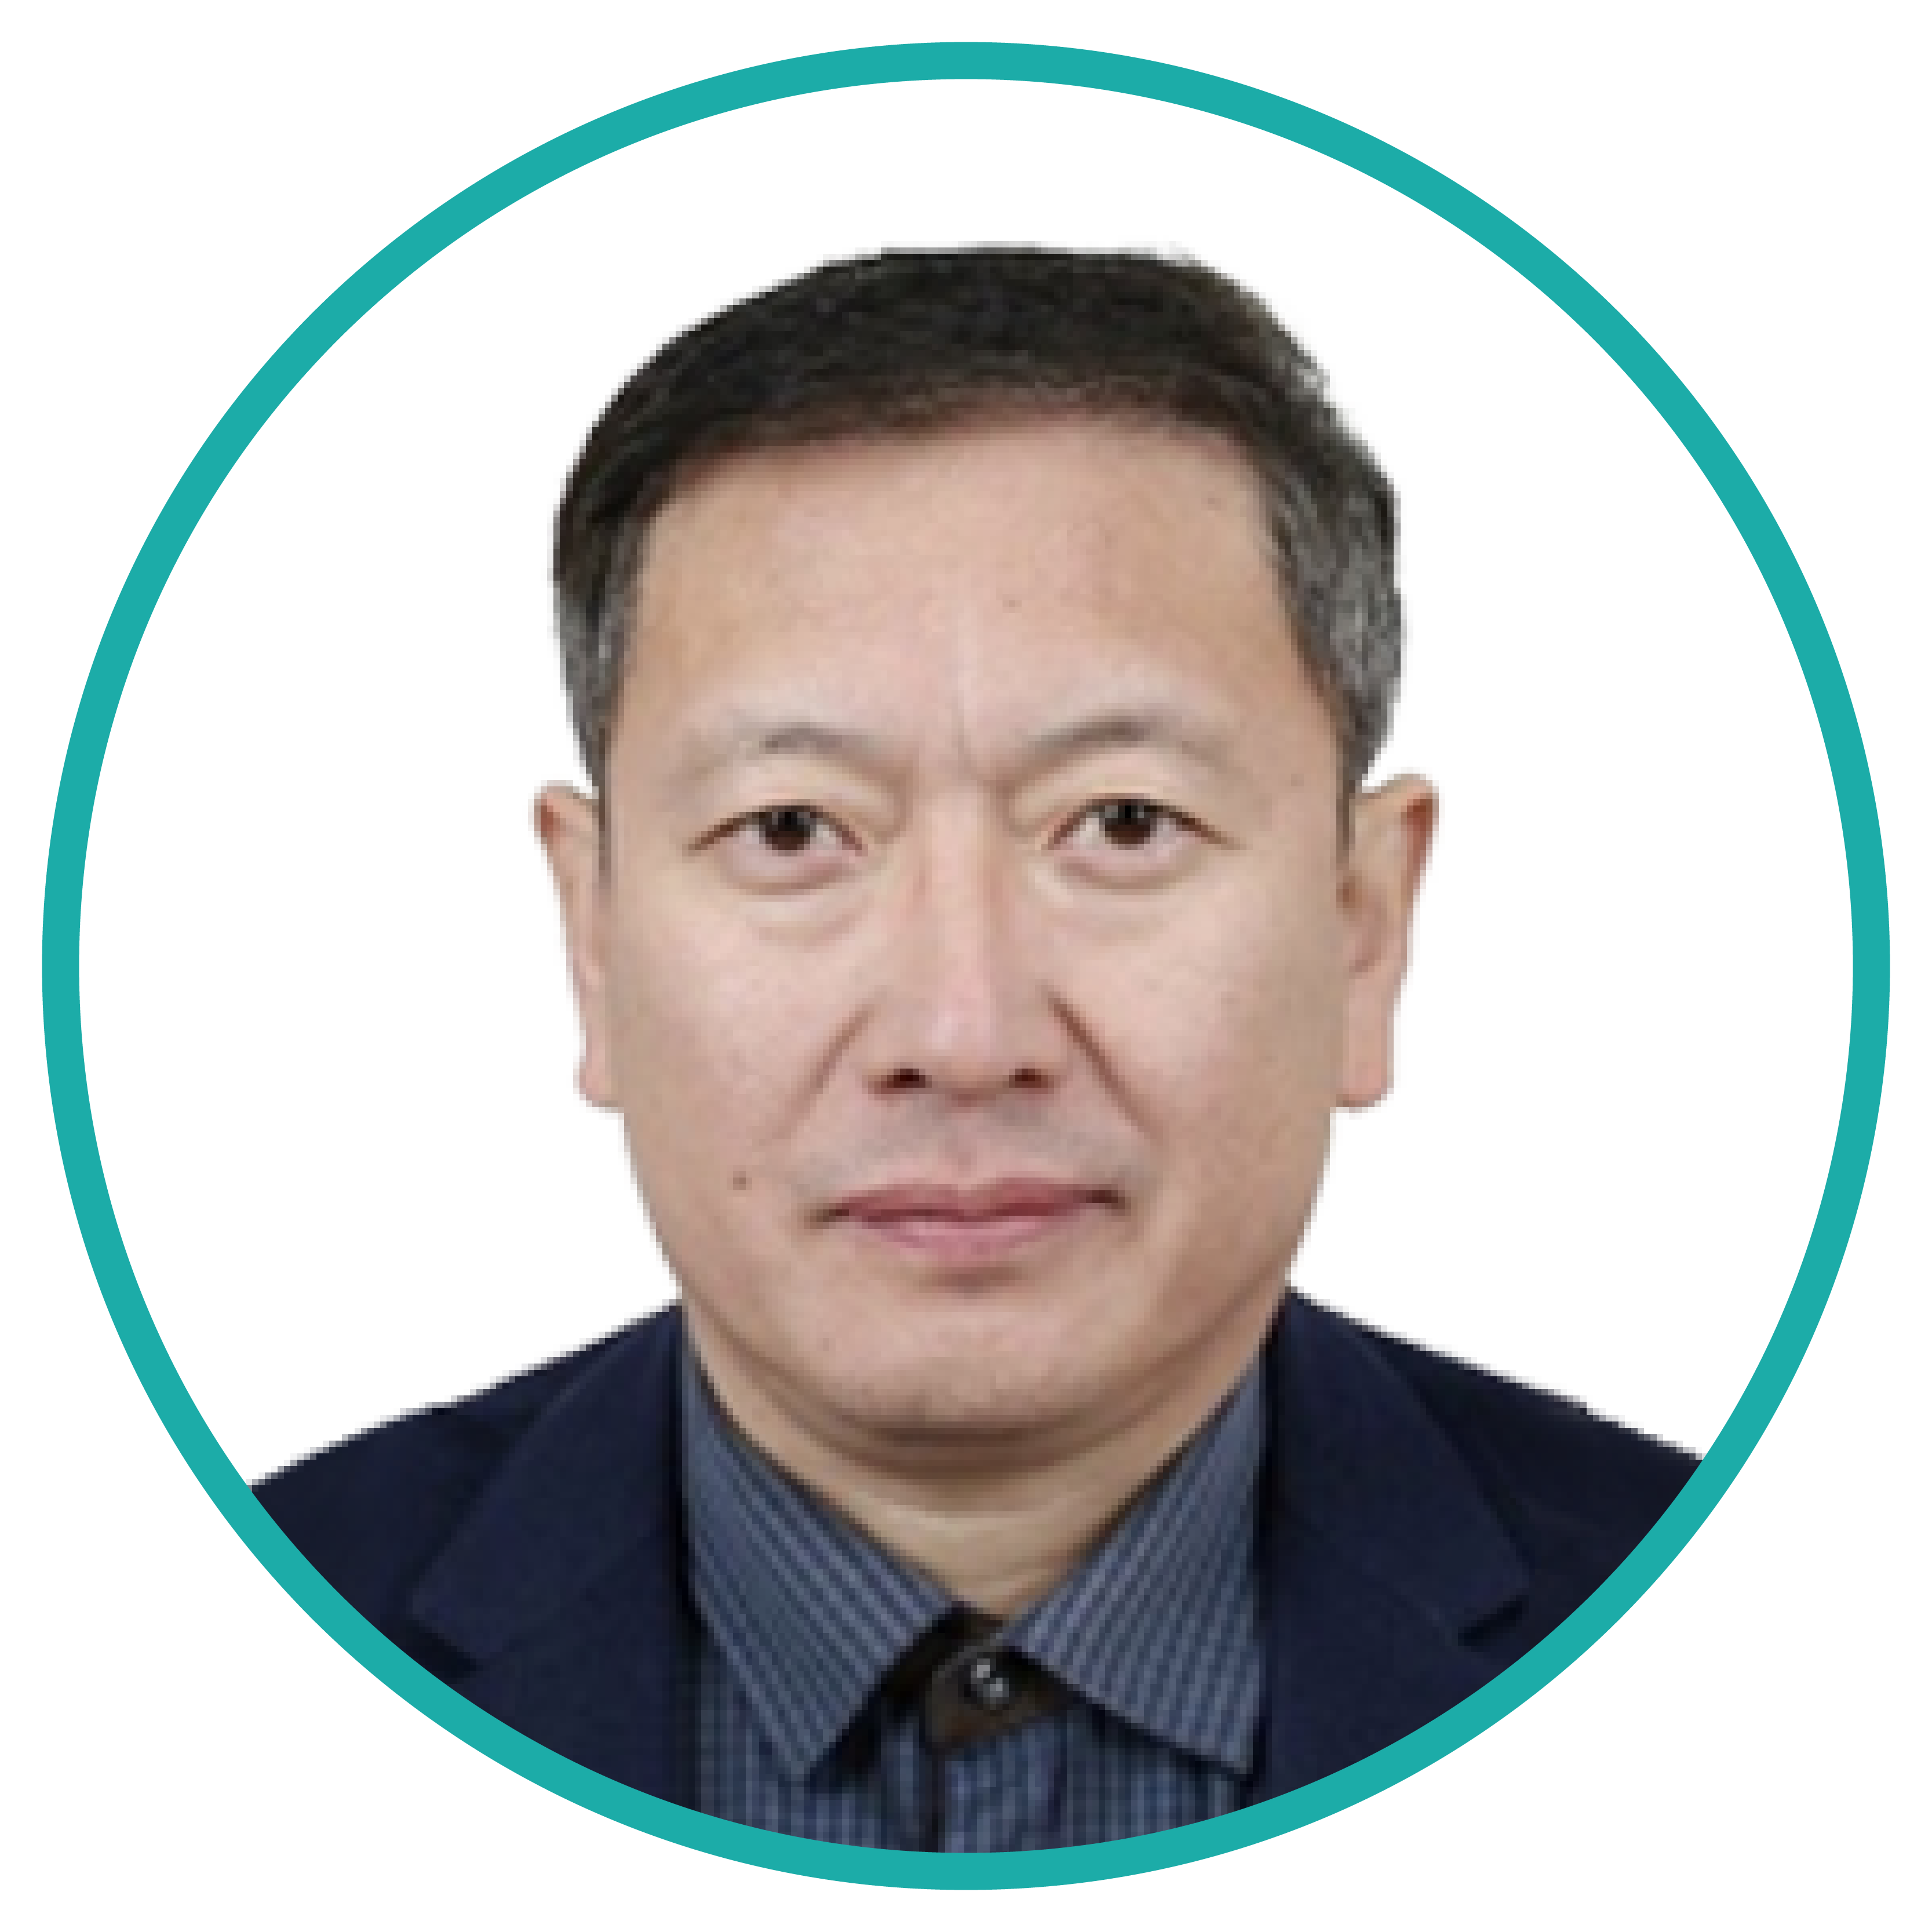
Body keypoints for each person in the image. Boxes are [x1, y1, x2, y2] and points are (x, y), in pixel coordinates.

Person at [252, 243, 1698, 1853]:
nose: (963, 1034)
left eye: (1123, 823)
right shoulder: (218, 1644)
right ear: (590, 934)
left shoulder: (1740, 1630)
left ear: (1364, 923)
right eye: (791, 828)